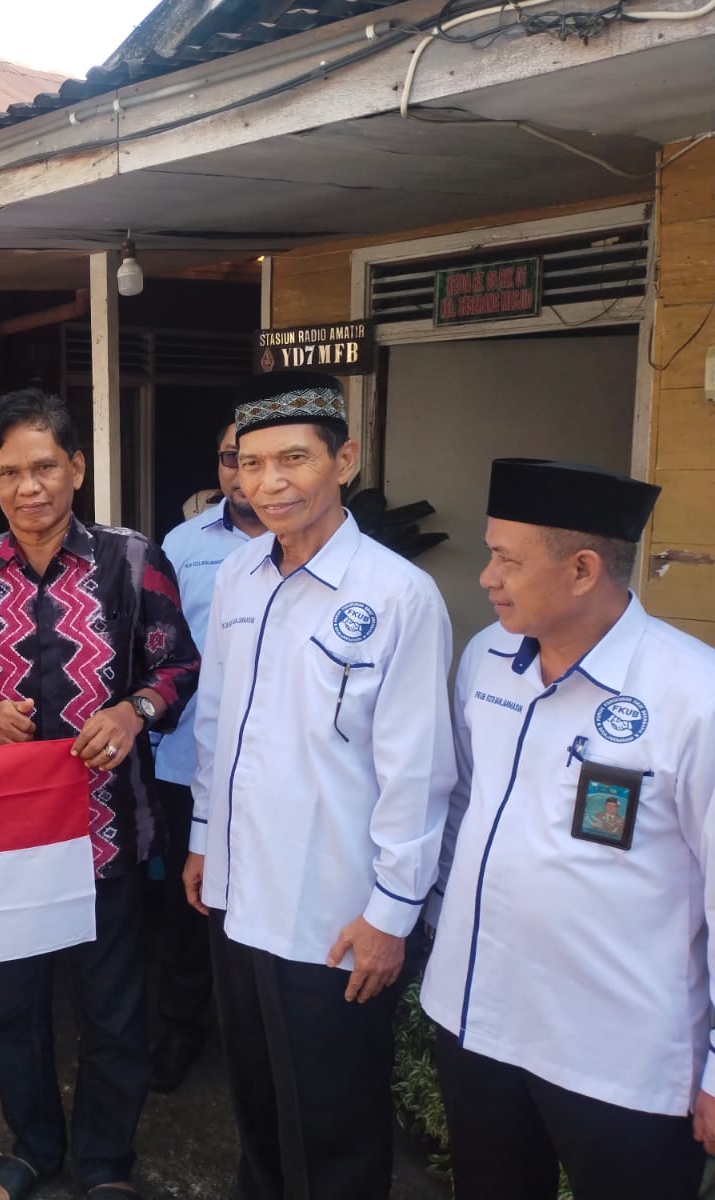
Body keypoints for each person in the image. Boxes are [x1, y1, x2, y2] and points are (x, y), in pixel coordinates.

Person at [0, 388, 198, 1200]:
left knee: (112, 1010)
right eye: (10, 472)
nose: (29, 486)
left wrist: (132, 709)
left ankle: (107, 1163)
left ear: (76, 467)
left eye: (45, 466)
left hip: (105, 832)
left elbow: (178, 667)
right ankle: (34, 1143)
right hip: (4, 838)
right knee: (7, 1007)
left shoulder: (131, 560)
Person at [183, 370, 455, 1200]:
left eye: (294, 459)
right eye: (251, 461)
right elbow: (216, 723)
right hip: (237, 895)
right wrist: (202, 841)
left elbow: (421, 773)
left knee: (335, 1121)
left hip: (336, 912)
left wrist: (390, 915)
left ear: (345, 459)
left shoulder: (399, 595)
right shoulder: (239, 575)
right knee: (258, 1101)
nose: (270, 483)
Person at [420, 458, 715, 1200]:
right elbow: (459, 810)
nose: (487, 577)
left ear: (583, 569)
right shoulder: (486, 658)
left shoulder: (692, 695)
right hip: (476, 1022)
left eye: (507, 560)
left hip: (620, 1061)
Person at [148, 419, 265, 1094]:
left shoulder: (305, 543)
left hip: (278, 773)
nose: (242, 472)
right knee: (184, 905)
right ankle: (181, 1024)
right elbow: (162, 649)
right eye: (232, 458)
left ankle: (257, 1030)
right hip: (188, 759)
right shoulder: (183, 545)